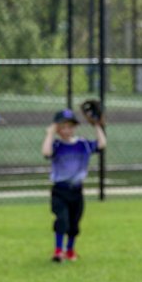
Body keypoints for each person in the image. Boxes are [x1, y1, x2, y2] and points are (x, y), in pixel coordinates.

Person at [41, 108, 106, 263]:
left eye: (70, 126)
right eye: (62, 127)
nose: (67, 130)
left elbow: (102, 144)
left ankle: (70, 250)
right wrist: (50, 133)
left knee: (74, 223)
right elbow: (46, 152)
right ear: (57, 128)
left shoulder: (82, 144)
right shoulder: (56, 145)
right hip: (60, 190)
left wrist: (97, 125)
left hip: (76, 191)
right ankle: (58, 251)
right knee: (62, 219)